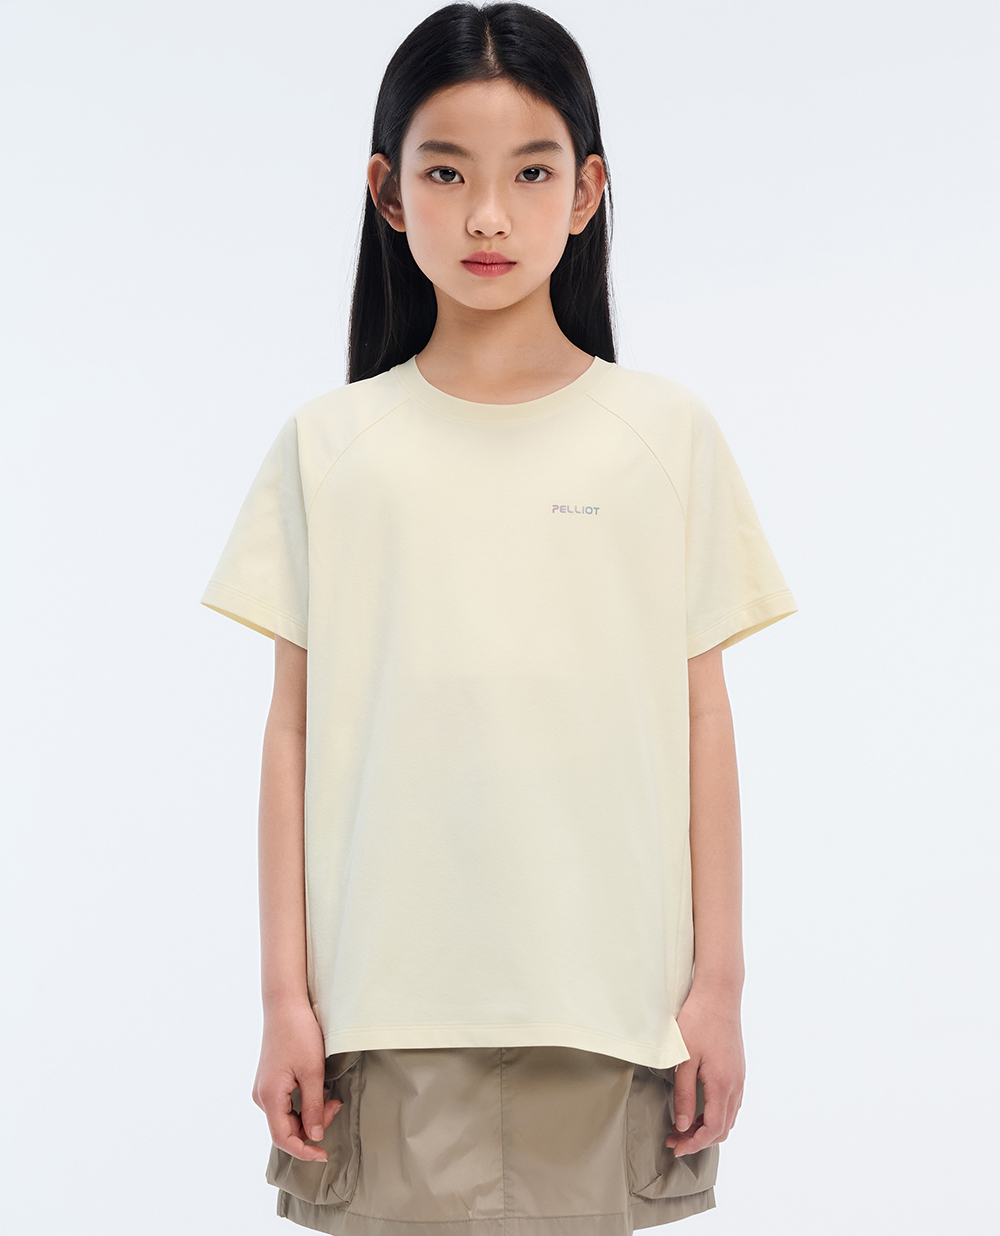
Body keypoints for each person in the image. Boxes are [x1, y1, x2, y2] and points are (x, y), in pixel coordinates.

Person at [199, 4, 799, 1233]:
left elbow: (701, 720)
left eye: (529, 173)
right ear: (386, 191)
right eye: (445, 173)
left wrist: (720, 988)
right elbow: (291, 734)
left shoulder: (662, 435)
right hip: (384, 1019)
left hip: (611, 1013)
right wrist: (283, 1002)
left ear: (586, 193)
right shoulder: (331, 447)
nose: (486, 215)